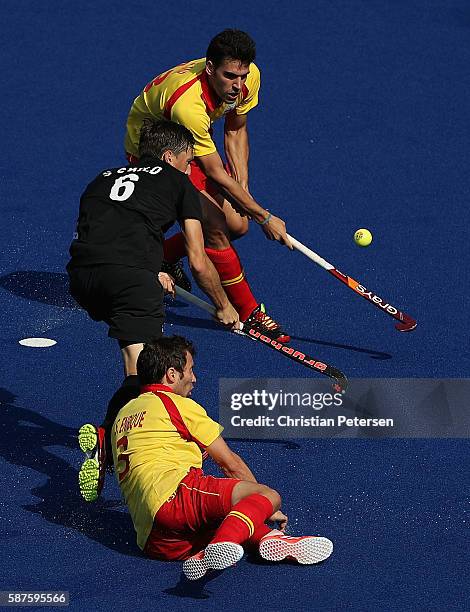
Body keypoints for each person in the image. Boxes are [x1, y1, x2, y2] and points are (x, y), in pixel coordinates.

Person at [67, 119, 240, 502]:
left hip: (82, 278)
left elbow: (114, 231)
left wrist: (155, 270)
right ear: (169, 156)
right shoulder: (180, 184)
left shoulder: (102, 178)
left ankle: (109, 439)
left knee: (136, 365)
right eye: (188, 162)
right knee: (149, 376)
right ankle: (107, 440)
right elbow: (197, 259)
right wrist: (224, 306)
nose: (190, 169)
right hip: (128, 279)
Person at [111, 336, 334, 580]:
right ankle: (225, 542)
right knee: (266, 496)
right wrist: (265, 507)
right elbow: (230, 463)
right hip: (176, 496)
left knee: (232, 521)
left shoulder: (123, 414)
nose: (194, 378)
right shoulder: (175, 403)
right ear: (172, 374)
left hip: (154, 539)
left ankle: (271, 540)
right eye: (190, 370)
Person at [125, 29, 292, 344]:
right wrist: (265, 217)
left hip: (190, 143)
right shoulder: (188, 105)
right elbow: (214, 171)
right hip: (158, 154)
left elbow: (236, 130)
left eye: (242, 76)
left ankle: (161, 255)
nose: (238, 85)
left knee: (237, 225)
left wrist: (243, 191)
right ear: (210, 69)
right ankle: (251, 313)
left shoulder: (247, 76)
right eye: (230, 76)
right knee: (215, 227)